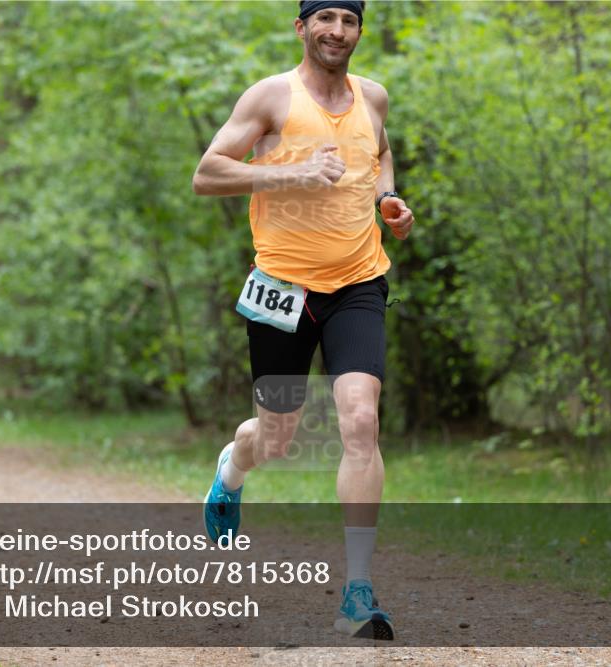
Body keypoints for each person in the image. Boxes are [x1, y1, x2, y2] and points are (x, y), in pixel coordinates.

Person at [191, 0, 413, 641]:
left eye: (348, 21)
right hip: (283, 289)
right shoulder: (270, 98)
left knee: (361, 419)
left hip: (358, 283)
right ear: (302, 27)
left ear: (359, 31)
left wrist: (389, 201)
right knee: (279, 436)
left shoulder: (374, 97)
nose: (336, 31)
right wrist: (294, 171)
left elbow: (382, 154)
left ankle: (358, 591)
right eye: (325, 19)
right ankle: (234, 465)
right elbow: (207, 174)